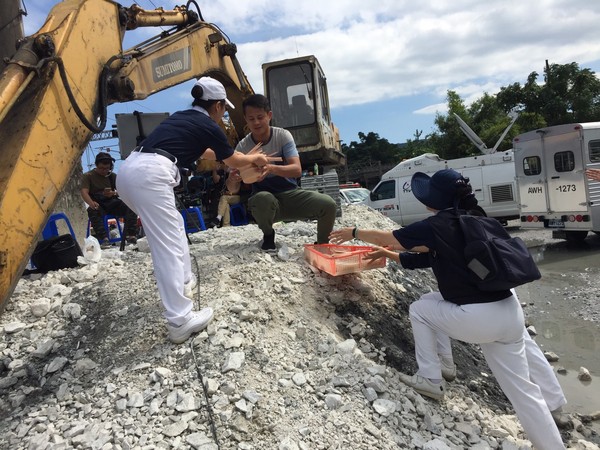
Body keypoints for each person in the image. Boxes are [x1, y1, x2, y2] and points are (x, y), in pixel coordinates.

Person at [329, 169, 566, 449]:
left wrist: (354, 231)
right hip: (509, 310)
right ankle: (553, 425)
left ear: (436, 199)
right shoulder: (475, 218)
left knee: (419, 310)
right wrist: (389, 255)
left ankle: (431, 377)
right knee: (523, 392)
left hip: (480, 318)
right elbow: (427, 257)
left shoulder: (436, 225)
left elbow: (389, 237)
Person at [116, 76, 268, 344]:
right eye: (223, 110)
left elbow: (209, 153)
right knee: (167, 246)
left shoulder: (182, 117)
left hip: (130, 171)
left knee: (174, 227)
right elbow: (231, 158)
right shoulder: (208, 124)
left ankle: (185, 281)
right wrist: (253, 158)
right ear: (219, 106)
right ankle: (180, 320)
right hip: (151, 176)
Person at [235, 94, 337, 251]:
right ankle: (268, 235)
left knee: (328, 204)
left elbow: (296, 170)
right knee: (262, 199)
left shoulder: (282, 136)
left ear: (269, 115)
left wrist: (271, 167)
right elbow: (232, 187)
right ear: (245, 119)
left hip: (291, 194)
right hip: (265, 201)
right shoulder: (242, 146)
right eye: (251, 118)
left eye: (260, 117)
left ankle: (323, 244)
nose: (256, 122)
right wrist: (233, 178)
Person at [80, 152, 138, 248]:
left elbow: (123, 191)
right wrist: (91, 203)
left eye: (106, 169)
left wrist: (113, 193)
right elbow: (84, 192)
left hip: (112, 203)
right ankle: (104, 239)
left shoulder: (112, 176)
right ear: (96, 165)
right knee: (93, 211)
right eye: (101, 168)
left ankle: (131, 235)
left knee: (130, 206)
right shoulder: (88, 176)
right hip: (98, 204)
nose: (104, 171)